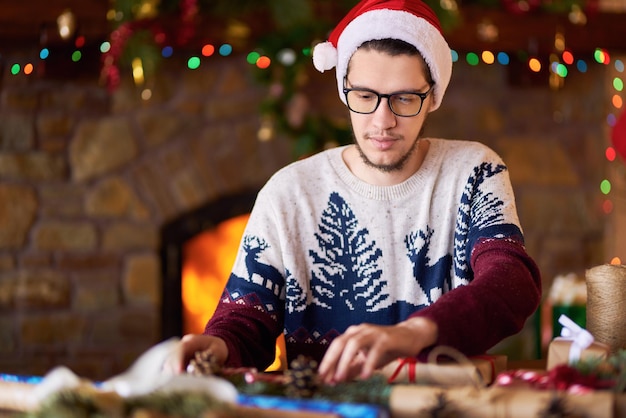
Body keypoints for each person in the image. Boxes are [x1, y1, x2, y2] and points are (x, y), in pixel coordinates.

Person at [177, 0, 542, 384]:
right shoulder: (288, 194)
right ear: (344, 91)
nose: (382, 121)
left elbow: (512, 281)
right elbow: (244, 324)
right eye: (365, 97)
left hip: (438, 407)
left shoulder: (474, 171)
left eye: (404, 98)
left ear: (432, 96)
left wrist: (413, 334)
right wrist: (215, 347)